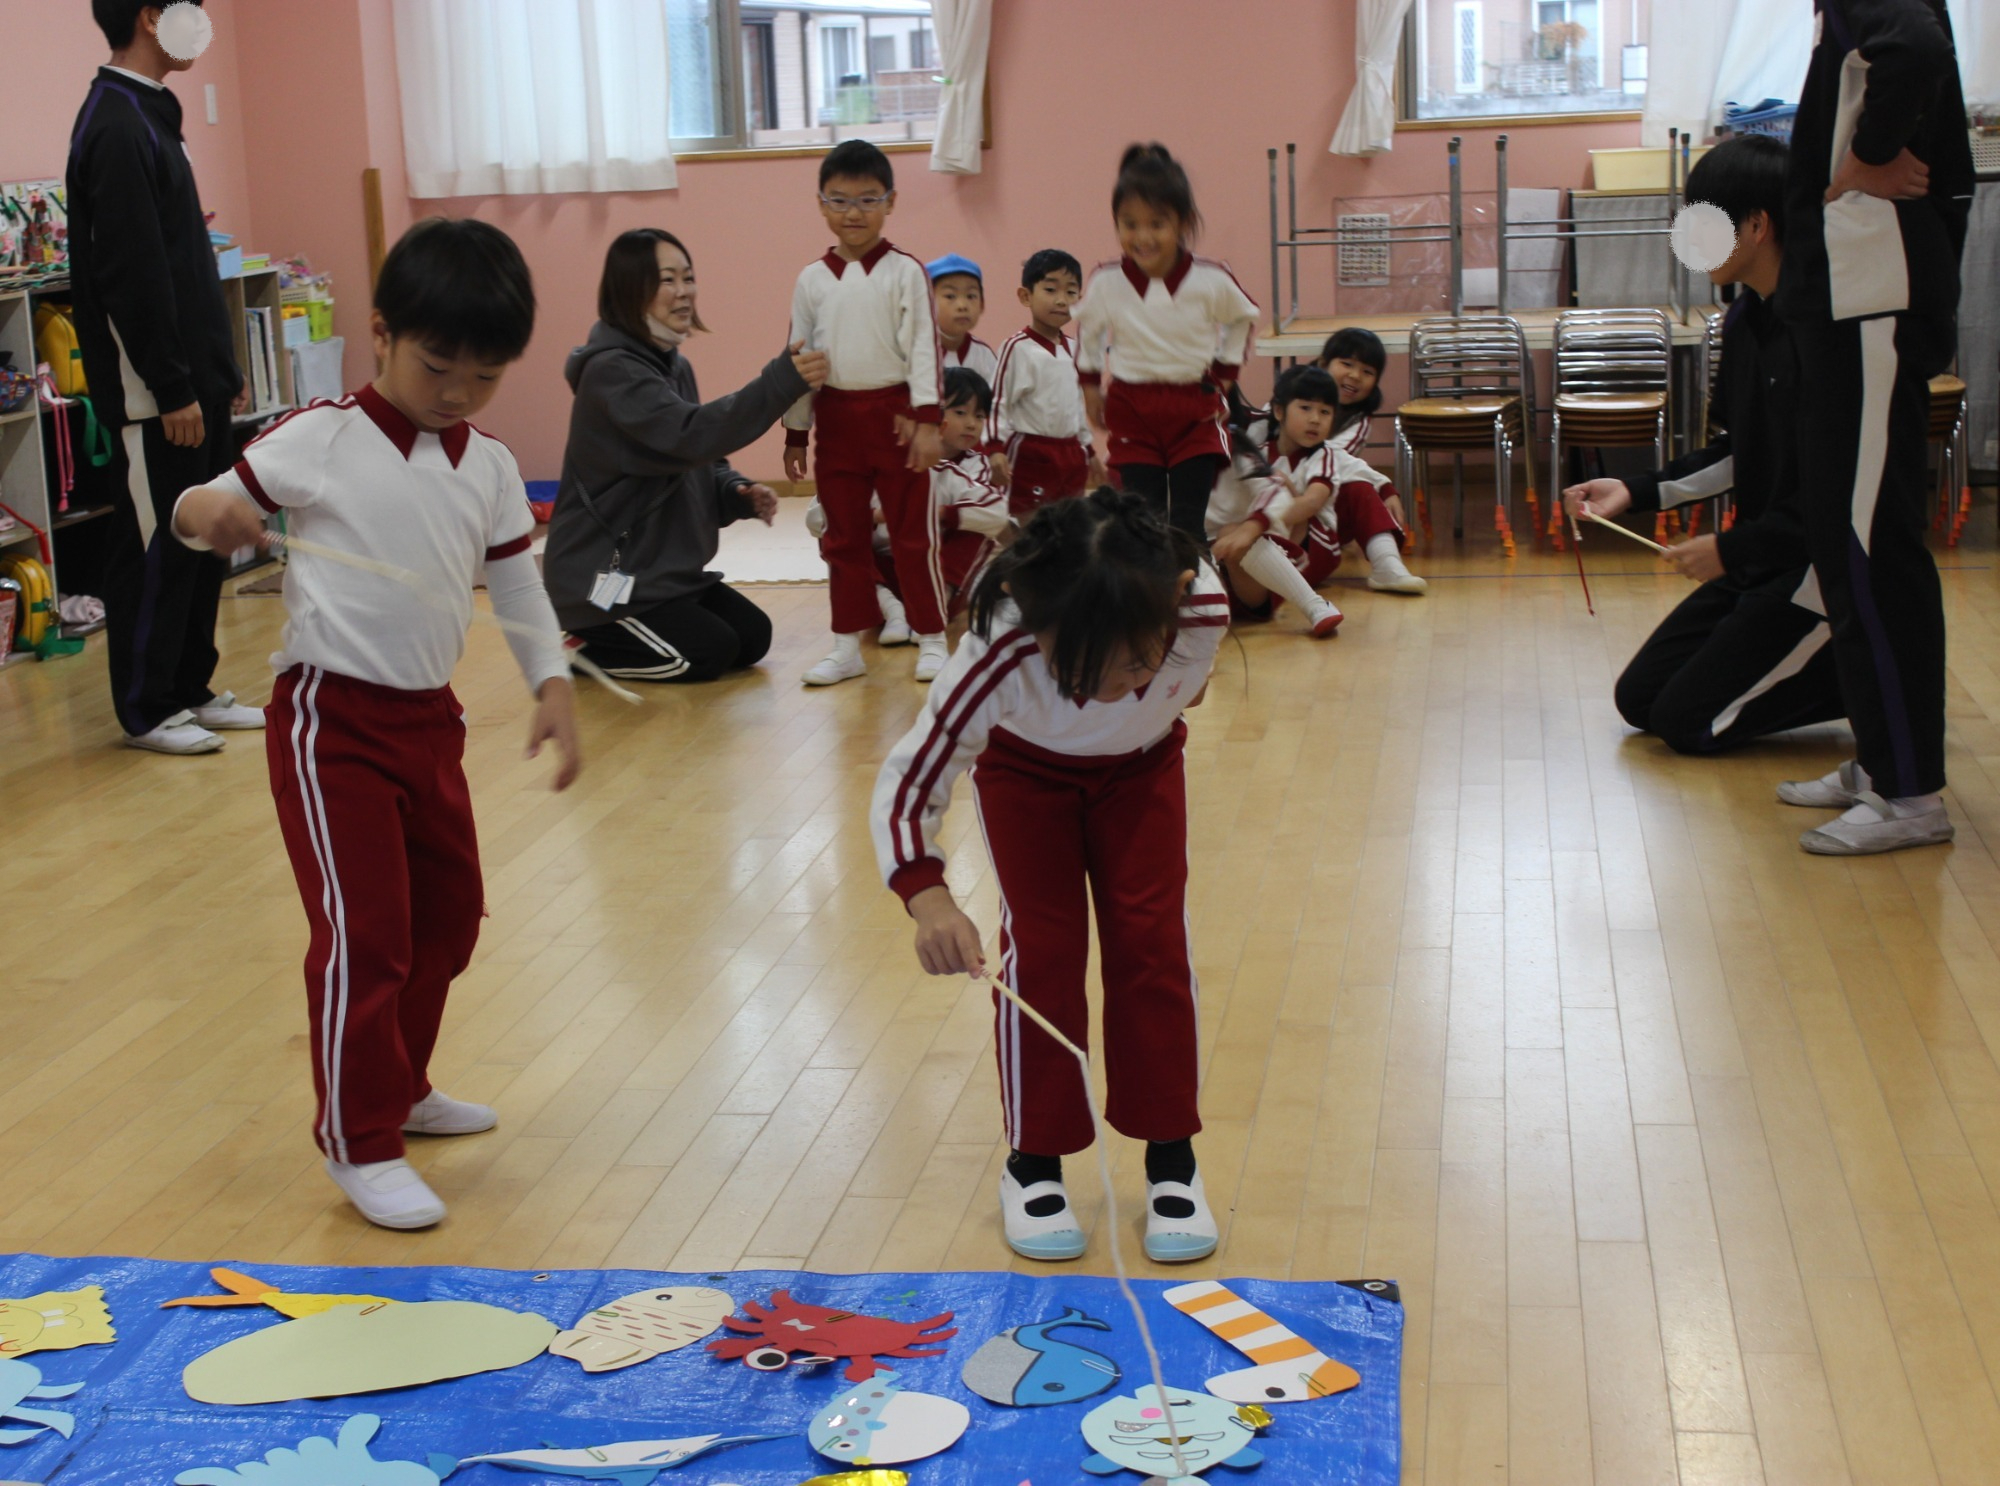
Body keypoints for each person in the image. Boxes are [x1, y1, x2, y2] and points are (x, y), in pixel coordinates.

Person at [170, 219, 582, 1232]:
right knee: (365, 935)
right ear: (384, 332)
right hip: (332, 725)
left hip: (430, 723)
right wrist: (204, 513)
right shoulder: (321, 436)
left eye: (484, 375)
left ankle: (400, 1085)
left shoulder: (489, 465)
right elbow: (198, 505)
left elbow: (514, 583)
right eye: (438, 365)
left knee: (448, 918)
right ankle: (357, 1138)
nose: (458, 392)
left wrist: (551, 680)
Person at [872, 489, 1229, 1264]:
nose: (1108, 685)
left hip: (1143, 772)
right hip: (1024, 776)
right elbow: (911, 778)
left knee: (1153, 944)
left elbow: (1184, 691)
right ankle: (1033, 1163)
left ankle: (1172, 1157)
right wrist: (927, 896)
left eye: (1132, 660)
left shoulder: (1200, 608)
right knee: (1043, 952)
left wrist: (1144, 705)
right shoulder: (1000, 649)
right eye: (1080, 666)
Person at [1564, 135, 1843, 756]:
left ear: (1757, 225)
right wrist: (1634, 491)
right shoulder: (1744, 323)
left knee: (1687, 723)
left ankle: (1862, 670)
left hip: (1814, 570)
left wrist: (1729, 549)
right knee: (1640, 700)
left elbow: (1835, 492)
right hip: (1761, 562)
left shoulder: (1823, 331)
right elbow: (1739, 451)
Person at [1773, 0, 1974, 854]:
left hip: (1872, 307)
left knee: (1868, 547)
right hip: (1846, 308)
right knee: (1840, 546)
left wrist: (1871, 155)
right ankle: (1881, 758)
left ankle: (1911, 794)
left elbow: (1916, 46)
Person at [69, 0, 264, 754]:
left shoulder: (151, 111)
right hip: (155, 396)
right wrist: (171, 388)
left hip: (192, 382)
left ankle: (189, 687)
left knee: (202, 539)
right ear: (152, 16)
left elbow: (185, 263)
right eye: (192, 8)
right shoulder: (114, 122)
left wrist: (219, 370)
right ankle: (147, 708)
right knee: (156, 541)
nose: (202, 23)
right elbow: (130, 276)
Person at [544, 228, 826, 683]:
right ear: (629, 289)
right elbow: (689, 436)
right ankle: (579, 647)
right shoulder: (612, 372)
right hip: (603, 586)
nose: (684, 292)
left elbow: (694, 455)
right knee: (706, 654)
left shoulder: (674, 365)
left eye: (688, 278)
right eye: (667, 280)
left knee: (752, 637)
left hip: (662, 578)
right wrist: (779, 383)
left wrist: (734, 491)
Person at [783, 140, 949, 687]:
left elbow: (923, 346)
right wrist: (796, 431)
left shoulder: (905, 272)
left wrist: (927, 421)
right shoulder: (811, 279)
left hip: (897, 418)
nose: (853, 213)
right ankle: (845, 646)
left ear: (890, 202)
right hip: (837, 421)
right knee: (843, 537)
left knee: (911, 535)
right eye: (840, 200)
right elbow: (799, 359)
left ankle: (933, 638)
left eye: (867, 199)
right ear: (821, 204)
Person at [1075, 144, 1259, 541]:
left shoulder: (1210, 279)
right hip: (1132, 410)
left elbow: (1242, 317)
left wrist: (1225, 373)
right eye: (1129, 224)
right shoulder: (1107, 282)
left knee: (1189, 527)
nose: (1142, 237)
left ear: (1183, 223)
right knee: (1146, 526)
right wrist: (1089, 388)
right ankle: (1155, 581)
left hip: (1194, 410)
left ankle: (1196, 579)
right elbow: (1088, 332)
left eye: (1156, 224)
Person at [811, 367, 1010, 636]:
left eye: (980, 416)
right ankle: (893, 611)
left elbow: (997, 515)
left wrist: (937, 513)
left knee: (975, 532)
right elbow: (815, 518)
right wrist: (874, 517)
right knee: (832, 534)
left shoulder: (965, 471)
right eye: (960, 412)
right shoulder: (872, 462)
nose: (972, 424)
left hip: (936, 567)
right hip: (884, 572)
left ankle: (937, 602)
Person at [1241, 366, 1426, 599]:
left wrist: (1258, 523)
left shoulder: (1324, 455)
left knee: (1359, 488)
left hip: (1315, 546)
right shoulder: (1256, 454)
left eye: (1325, 412)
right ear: (1278, 411)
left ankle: (1387, 565)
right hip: (1267, 539)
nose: (1315, 419)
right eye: (1305, 408)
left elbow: (1314, 500)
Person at [988, 249, 1104, 516]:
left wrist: (1088, 450)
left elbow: (1076, 407)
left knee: (1069, 526)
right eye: (1050, 290)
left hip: (1071, 454)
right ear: (1025, 296)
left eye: (1071, 292)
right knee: (1029, 526)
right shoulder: (1017, 348)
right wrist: (994, 447)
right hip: (1031, 454)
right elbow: (997, 401)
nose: (1061, 300)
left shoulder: (1075, 349)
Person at [1314, 326, 1410, 531]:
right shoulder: (1295, 394)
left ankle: (1384, 547)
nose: (1356, 376)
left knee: (1360, 489)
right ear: (1323, 364)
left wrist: (1382, 485)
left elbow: (1328, 459)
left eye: (1367, 372)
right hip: (1276, 483)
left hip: (1320, 498)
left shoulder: (1357, 423)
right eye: (1347, 364)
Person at [928, 254, 998, 384]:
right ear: (927, 303)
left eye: (971, 296)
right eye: (950, 296)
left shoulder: (983, 355)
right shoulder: (914, 352)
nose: (962, 306)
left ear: (982, 304)